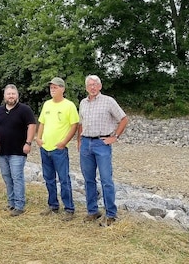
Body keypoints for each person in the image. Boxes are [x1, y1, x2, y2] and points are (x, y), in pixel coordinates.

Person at [77, 75, 129, 226]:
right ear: (86, 87)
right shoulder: (83, 103)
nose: (92, 87)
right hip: (86, 143)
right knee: (88, 180)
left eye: (95, 84)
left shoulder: (108, 101)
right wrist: (79, 140)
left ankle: (111, 214)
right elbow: (81, 122)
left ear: (100, 86)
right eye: (89, 85)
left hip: (102, 143)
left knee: (106, 180)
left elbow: (124, 119)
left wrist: (115, 137)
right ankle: (93, 211)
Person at [35, 77, 78, 220]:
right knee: (48, 178)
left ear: (62, 89)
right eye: (51, 87)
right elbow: (41, 123)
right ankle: (53, 205)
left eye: (55, 87)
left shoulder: (69, 105)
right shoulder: (47, 104)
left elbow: (74, 125)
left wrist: (64, 142)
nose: (52, 89)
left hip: (59, 150)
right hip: (45, 148)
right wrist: (38, 138)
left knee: (64, 179)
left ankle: (69, 208)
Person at [0, 84, 36, 217]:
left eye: (13, 94)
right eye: (8, 94)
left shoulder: (25, 110)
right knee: (7, 177)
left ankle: (19, 205)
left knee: (17, 177)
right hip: (2, 150)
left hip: (18, 151)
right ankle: (11, 203)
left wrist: (28, 143)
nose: (11, 96)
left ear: (17, 95)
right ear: (4, 96)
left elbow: (32, 126)